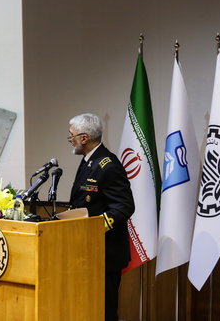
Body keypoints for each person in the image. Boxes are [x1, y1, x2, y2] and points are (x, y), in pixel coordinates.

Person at [67, 113, 135, 321]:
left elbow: (124, 206)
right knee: (88, 308)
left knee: (103, 311)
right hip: (87, 251)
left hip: (105, 253)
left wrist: (94, 228)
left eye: (72, 136)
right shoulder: (90, 161)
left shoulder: (108, 165)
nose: (70, 139)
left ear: (84, 138)